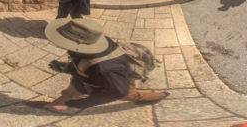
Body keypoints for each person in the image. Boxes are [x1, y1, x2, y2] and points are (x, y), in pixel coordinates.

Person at [37, 18, 169, 111]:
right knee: (72, 90)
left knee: (130, 94)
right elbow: (83, 61)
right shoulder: (95, 42)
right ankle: (55, 105)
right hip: (97, 76)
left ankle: (160, 96)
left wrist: (78, 104)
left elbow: (118, 92)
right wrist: (66, 67)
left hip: (114, 81)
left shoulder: (104, 69)